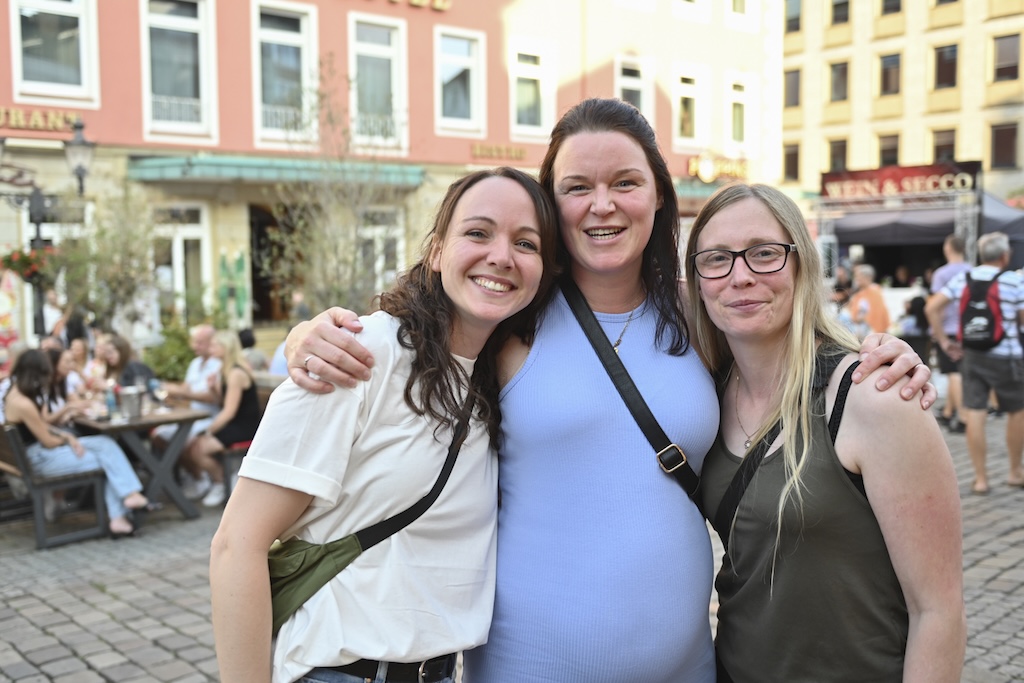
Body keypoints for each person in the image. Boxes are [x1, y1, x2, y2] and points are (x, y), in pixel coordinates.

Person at [283, 99, 934, 683]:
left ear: (658, 197)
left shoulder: (699, 316)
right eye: (577, 187)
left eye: (625, 182)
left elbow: (789, 345)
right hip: (523, 667)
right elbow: (413, 328)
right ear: (551, 204)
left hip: (685, 668)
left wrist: (884, 353)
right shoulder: (511, 317)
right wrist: (308, 335)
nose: (603, 204)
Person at [209, 166, 558, 683]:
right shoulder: (359, 354)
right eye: (478, 233)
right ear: (436, 252)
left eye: (525, 243)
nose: (501, 256)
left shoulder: (503, 379)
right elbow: (237, 544)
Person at [686, 183, 965, 682]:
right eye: (717, 258)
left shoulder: (873, 395)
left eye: (765, 253)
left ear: (802, 264)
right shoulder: (705, 395)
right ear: (697, 280)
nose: (740, 276)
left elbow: (938, 612)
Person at [3, 349, 152, 537]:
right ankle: (121, 513)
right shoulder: (24, 403)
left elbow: (42, 425)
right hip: (39, 460)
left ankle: (129, 498)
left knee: (105, 444)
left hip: (34, 456)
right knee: (110, 459)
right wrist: (65, 440)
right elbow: (48, 442)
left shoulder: (14, 394)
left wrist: (67, 437)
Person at [926, 231, 1024, 494]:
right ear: (1005, 256)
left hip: (972, 355)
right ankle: (1015, 471)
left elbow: (931, 308)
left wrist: (944, 341)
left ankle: (980, 479)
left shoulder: (963, 279)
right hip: (1008, 356)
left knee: (975, 412)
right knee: (1017, 410)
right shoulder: (1014, 280)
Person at [179, 330, 262, 508]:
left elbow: (229, 411)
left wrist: (208, 431)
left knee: (199, 448)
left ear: (226, 348)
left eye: (215, 345)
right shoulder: (225, 370)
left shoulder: (236, 373)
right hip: (235, 423)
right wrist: (213, 389)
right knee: (195, 446)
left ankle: (221, 482)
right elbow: (222, 402)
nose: (211, 348)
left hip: (245, 426)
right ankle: (223, 480)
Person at [152, 323, 222, 500]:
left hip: (212, 418)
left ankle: (212, 480)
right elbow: (186, 389)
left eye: (200, 342)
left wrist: (182, 393)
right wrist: (173, 392)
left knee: (183, 441)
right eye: (194, 342)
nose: (194, 346)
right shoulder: (195, 363)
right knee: (158, 436)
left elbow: (213, 398)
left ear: (211, 342)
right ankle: (197, 475)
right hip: (192, 417)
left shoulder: (218, 365)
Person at [928, 234, 971, 433]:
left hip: (948, 329)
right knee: (959, 372)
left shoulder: (942, 274)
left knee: (953, 373)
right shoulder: (972, 270)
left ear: (948, 249)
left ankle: (962, 418)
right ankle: (947, 412)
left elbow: (937, 307)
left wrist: (937, 331)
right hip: (968, 328)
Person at [848, 263, 891, 335]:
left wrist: (863, 318)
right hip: (858, 330)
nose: (856, 279)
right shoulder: (858, 294)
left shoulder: (875, 291)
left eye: (858, 276)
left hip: (872, 331)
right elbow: (852, 313)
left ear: (868, 278)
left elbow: (877, 314)